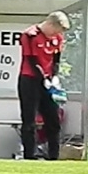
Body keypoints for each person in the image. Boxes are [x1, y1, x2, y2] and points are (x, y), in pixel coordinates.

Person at [17, 11, 70, 160]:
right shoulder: (30, 35)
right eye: (56, 30)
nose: (56, 34)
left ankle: (54, 156)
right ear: (50, 24)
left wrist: (54, 76)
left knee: (53, 119)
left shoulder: (57, 38)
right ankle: (30, 155)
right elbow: (31, 59)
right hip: (30, 80)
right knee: (30, 120)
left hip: (48, 82)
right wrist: (43, 78)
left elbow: (56, 58)